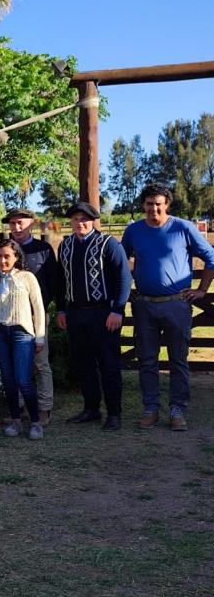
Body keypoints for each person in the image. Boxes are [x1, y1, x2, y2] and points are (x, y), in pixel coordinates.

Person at [121, 184, 214, 431]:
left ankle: (177, 410)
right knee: (147, 360)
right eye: (149, 204)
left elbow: (211, 258)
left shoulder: (183, 228)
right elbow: (120, 261)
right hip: (144, 306)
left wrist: (202, 290)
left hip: (177, 305)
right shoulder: (134, 231)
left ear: (167, 204)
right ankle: (150, 409)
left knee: (178, 360)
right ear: (143, 205)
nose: (154, 208)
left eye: (159, 203)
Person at [55, 201, 132, 431]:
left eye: (84, 219)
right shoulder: (65, 245)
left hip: (103, 313)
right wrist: (61, 309)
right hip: (75, 312)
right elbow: (61, 281)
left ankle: (115, 414)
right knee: (83, 364)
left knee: (109, 365)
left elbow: (124, 278)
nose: (80, 223)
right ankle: (91, 409)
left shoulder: (108, 243)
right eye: (76, 219)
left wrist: (117, 310)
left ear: (93, 220)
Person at [0, 239, 47, 440]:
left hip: (22, 334)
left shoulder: (27, 277)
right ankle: (16, 419)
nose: (3, 260)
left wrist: (39, 337)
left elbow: (39, 308)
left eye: (7, 256)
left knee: (23, 379)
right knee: (8, 380)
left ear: (16, 257)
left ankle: (36, 422)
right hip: (0, 333)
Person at [5, 208, 59, 425]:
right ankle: (18, 408)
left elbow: (53, 282)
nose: (17, 227)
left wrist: (42, 309)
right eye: (13, 223)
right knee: (16, 364)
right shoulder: (5, 249)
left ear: (31, 224)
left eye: (21, 223)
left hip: (36, 315)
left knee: (40, 363)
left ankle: (44, 408)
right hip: (10, 317)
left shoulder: (43, 249)